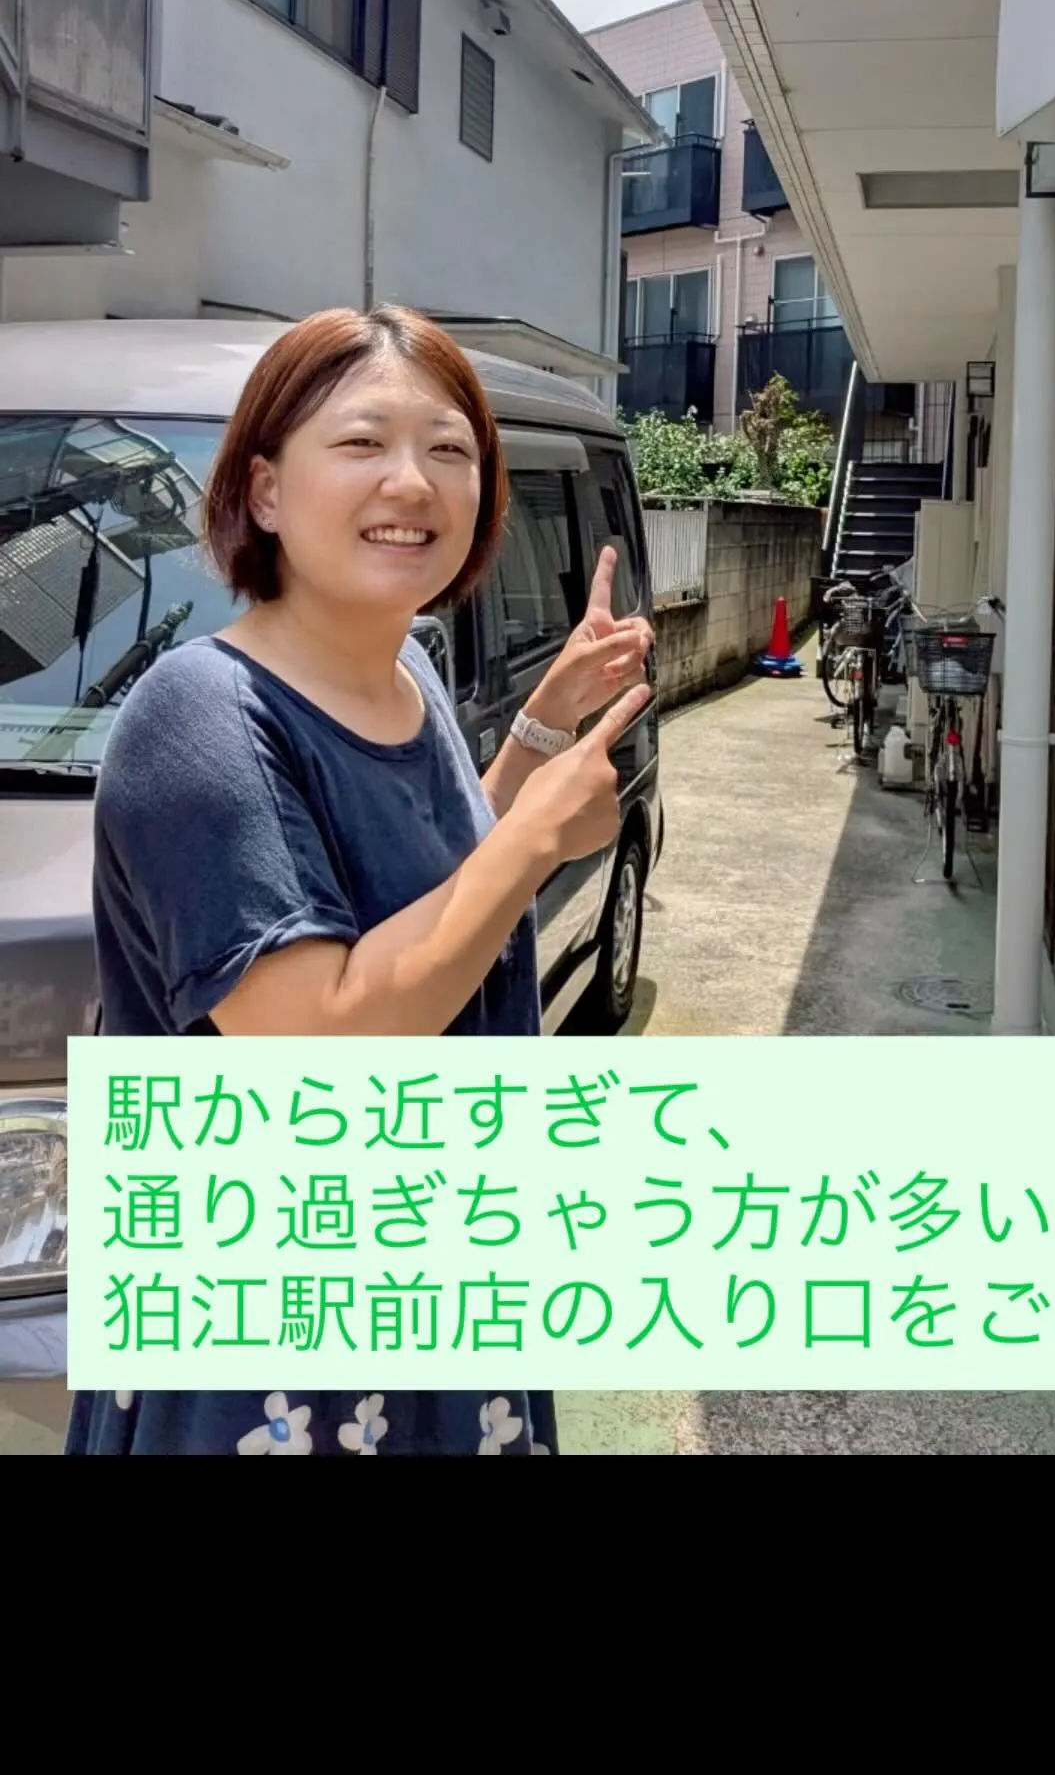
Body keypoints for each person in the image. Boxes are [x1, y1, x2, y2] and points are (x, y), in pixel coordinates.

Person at [64, 304, 652, 1458]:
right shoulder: (199, 716)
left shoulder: (410, 670)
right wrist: (537, 838)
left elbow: (433, 888)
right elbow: (319, 1039)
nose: (413, 482)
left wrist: (540, 726)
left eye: (449, 449)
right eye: (362, 443)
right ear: (265, 490)